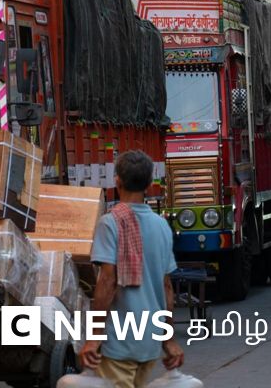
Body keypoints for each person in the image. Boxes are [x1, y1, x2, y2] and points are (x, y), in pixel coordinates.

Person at [79, 150, 184, 387]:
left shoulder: (110, 223)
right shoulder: (162, 226)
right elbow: (167, 287)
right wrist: (168, 339)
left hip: (119, 342)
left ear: (117, 180)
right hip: (149, 344)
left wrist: (94, 338)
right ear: (149, 183)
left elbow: (107, 282)